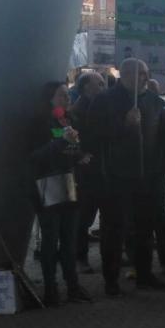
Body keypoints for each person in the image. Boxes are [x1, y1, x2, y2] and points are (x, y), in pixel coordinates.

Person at [86, 59, 165, 296]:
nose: (144, 77)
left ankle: (144, 273)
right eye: (139, 73)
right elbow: (93, 136)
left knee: (146, 228)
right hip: (117, 176)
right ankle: (111, 280)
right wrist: (124, 125)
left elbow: (163, 136)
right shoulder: (105, 101)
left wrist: (161, 165)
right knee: (115, 229)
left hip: (149, 176)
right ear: (124, 75)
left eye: (146, 73)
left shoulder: (155, 102)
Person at [27, 81, 92, 305]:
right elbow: (36, 156)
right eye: (62, 95)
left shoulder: (72, 120)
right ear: (50, 99)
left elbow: (74, 149)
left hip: (70, 182)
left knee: (69, 238)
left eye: (68, 95)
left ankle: (72, 285)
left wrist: (82, 156)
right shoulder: (41, 123)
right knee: (50, 239)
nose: (67, 99)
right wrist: (60, 142)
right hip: (48, 183)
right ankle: (50, 288)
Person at [70, 71, 106, 275]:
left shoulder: (103, 108)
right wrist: (80, 155)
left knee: (106, 215)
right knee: (83, 217)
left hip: (103, 168)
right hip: (85, 173)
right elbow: (67, 141)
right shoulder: (75, 113)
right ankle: (80, 257)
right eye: (99, 84)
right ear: (85, 88)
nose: (103, 87)